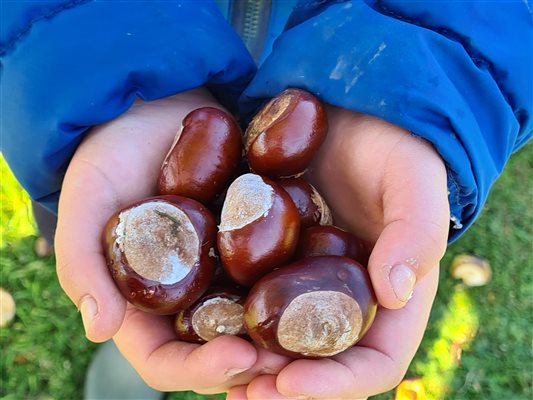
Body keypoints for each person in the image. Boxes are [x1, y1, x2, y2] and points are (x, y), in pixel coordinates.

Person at [1, 1, 531, 399]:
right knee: (110, 282)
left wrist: (406, 93)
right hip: (137, 46)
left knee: (138, 289)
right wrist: (111, 89)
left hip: (341, 49)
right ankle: (119, 355)